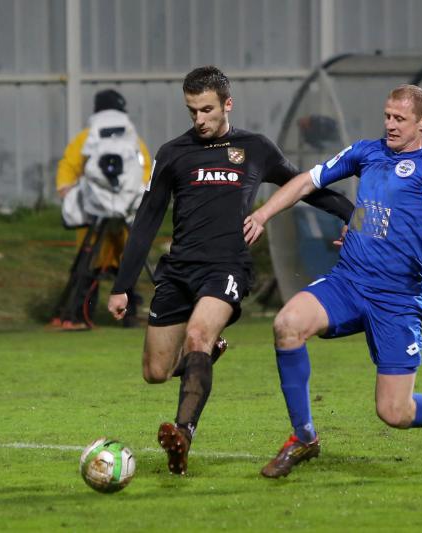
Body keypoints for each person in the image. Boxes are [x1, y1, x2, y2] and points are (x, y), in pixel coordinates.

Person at [107, 66, 354, 475]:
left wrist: (350, 213)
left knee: (198, 335)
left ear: (227, 104)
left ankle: (182, 434)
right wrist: (122, 285)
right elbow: (147, 219)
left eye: (207, 109)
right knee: (155, 372)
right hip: (178, 270)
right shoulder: (172, 153)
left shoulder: (255, 148)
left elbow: (302, 185)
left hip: (226, 267)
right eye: (192, 111)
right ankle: (204, 358)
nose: (199, 119)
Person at [243, 84, 422, 478]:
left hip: (396, 297)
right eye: (387, 116)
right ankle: (304, 437)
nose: (390, 124)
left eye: (399, 119)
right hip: (349, 281)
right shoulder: (366, 152)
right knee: (287, 325)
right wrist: (261, 215)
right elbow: (308, 182)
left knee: (394, 411)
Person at [54, 89, 152, 329]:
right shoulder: (133, 140)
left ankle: (78, 315)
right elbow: (145, 171)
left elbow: (68, 167)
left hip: (94, 218)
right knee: (128, 265)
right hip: (125, 220)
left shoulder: (86, 137)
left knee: (87, 266)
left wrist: (68, 193)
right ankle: (129, 315)